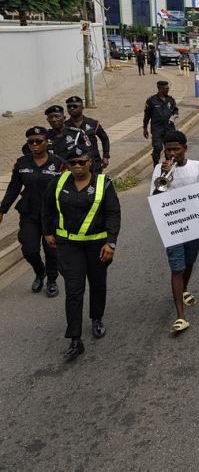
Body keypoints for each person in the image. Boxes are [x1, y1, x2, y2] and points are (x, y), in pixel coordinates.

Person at [42, 144, 121, 361]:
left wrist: (111, 243)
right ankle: (75, 339)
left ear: (90, 163)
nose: (77, 166)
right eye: (73, 163)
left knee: (97, 284)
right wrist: (47, 231)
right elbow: (47, 207)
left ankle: (96, 318)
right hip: (68, 246)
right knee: (74, 289)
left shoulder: (104, 184)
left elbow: (113, 213)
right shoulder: (59, 182)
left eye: (81, 162)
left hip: (97, 246)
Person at [151, 130, 199, 334]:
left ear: (185, 148)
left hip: (194, 224)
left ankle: (184, 289)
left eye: (176, 149)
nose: (172, 154)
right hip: (173, 226)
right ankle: (180, 316)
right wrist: (164, 175)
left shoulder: (197, 166)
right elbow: (156, 197)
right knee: (177, 267)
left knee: (189, 262)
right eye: (168, 150)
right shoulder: (160, 168)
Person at [1, 127, 64, 297]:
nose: (34, 145)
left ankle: (51, 280)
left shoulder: (58, 163)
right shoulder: (22, 163)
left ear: (46, 142)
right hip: (30, 213)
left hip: (52, 214)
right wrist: (2, 209)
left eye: (38, 141)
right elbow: (14, 187)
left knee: (51, 250)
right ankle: (39, 272)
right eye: (31, 142)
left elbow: (66, 189)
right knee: (29, 249)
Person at [65, 96, 111, 173]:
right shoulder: (64, 126)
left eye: (75, 106)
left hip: (93, 163)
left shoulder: (93, 123)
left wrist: (106, 156)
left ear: (82, 107)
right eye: (69, 107)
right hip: (74, 165)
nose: (72, 108)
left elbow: (104, 139)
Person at [143, 80, 179, 167]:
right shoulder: (151, 100)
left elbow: (175, 110)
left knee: (169, 148)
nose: (168, 89)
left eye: (168, 88)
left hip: (169, 128)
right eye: (166, 88)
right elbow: (147, 115)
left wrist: (174, 116)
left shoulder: (170, 100)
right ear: (160, 89)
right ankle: (156, 166)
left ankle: (168, 165)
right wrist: (145, 128)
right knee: (157, 147)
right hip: (157, 129)